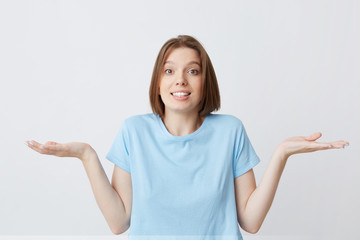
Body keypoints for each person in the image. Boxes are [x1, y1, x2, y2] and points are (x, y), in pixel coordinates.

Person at [25, 35, 349, 240]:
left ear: (206, 81)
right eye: (169, 70)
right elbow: (119, 223)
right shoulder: (133, 132)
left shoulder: (230, 131)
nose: (180, 80)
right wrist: (87, 156)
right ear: (157, 82)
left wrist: (281, 155)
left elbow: (250, 222)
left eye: (193, 71)